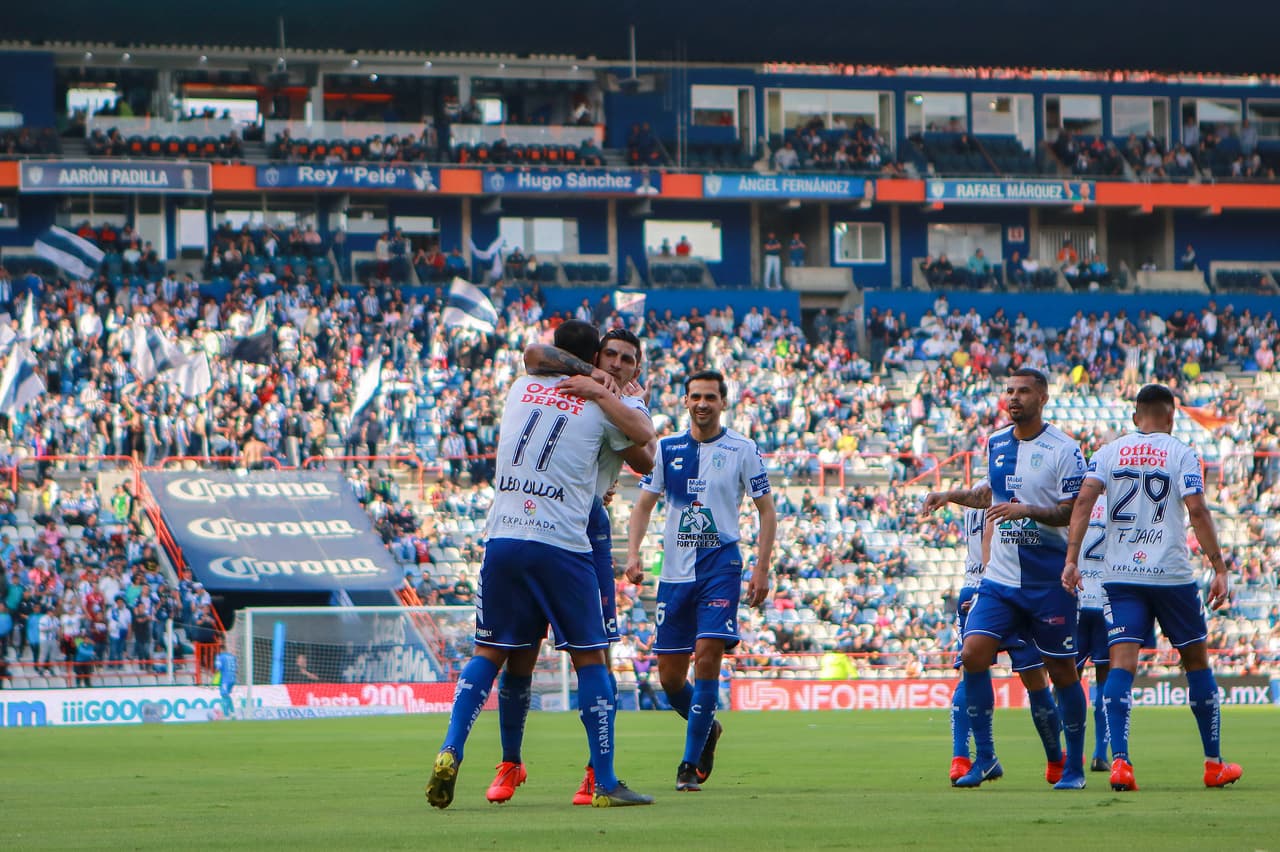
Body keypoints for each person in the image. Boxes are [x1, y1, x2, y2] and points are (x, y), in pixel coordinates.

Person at [426, 320, 654, 810]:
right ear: (594, 358)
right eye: (609, 357)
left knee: (494, 651)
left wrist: (602, 387)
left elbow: (534, 355)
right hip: (568, 537)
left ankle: (452, 749)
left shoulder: (521, 387)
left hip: (506, 534)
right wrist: (603, 390)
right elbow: (647, 448)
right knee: (588, 656)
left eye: (627, 360)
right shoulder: (605, 405)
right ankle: (600, 779)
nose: (616, 366)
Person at [1062, 383, 1243, 791]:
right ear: (1172, 417)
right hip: (1171, 574)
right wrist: (1218, 567)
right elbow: (1197, 510)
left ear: (1135, 417)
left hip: (1121, 576)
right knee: (1196, 662)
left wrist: (1072, 560)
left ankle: (1121, 763)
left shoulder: (1107, 452)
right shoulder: (1182, 453)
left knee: (1121, 665)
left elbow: (1083, 504)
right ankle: (1213, 763)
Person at [920, 368, 1090, 789]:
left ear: (1043, 397)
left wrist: (1026, 510)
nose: (1014, 397)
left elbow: (1073, 510)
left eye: (1023, 391)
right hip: (999, 580)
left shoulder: (1065, 449)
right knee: (973, 655)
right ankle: (983, 758)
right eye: (1010, 391)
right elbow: (990, 495)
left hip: (1048, 582)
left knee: (1062, 673)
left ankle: (1072, 767)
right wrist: (950, 496)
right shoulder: (996, 442)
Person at [625, 369, 776, 792]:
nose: (703, 404)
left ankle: (689, 764)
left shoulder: (743, 449)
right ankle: (709, 726)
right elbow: (643, 506)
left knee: (708, 655)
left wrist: (762, 568)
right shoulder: (667, 448)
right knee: (670, 679)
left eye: (710, 397)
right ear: (686, 401)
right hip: (674, 574)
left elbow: (766, 510)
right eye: (696, 397)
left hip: (720, 568)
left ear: (723, 402)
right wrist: (634, 553)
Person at [929, 483, 1066, 786]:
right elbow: (996, 536)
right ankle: (1056, 761)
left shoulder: (978, 489)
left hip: (976, 585)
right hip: (1005, 586)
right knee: (1034, 678)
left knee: (970, 671)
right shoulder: (1013, 482)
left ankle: (961, 758)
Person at [1075, 494, 1113, 773]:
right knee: (1105, 682)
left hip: (1075, 599)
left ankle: (1070, 754)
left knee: (1067, 682)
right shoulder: (1116, 501)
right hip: (1105, 600)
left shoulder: (1074, 501)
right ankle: (1101, 753)